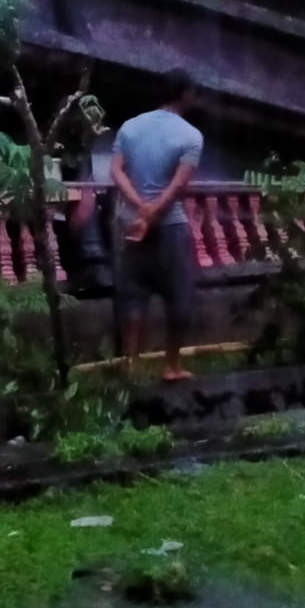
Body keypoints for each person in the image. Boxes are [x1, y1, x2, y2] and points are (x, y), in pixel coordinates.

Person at [109, 70, 204, 381]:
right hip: (168, 225)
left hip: (129, 222)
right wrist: (152, 212)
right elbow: (177, 186)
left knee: (133, 294)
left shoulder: (129, 127)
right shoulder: (191, 136)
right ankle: (171, 366)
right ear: (186, 94)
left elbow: (116, 172)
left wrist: (138, 206)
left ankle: (131, 365)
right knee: (179, 294)